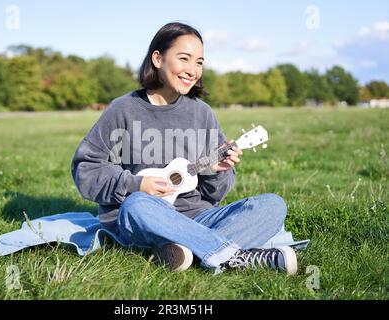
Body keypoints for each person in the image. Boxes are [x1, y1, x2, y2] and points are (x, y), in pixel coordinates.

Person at [71, 22, 298, 275]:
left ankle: (181, 249)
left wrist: (216, 170)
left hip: (196, 217)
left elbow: (214, 195)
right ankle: (233, 255)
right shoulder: (123, 109)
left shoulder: (202, 113)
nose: (193, 70)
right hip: (143, 220)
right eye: (184, 59)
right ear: (158, 58)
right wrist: (136, 184)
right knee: (137, 205)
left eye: (199, 62)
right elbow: (86, 168)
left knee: (273, 205)